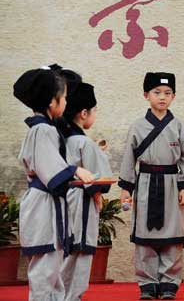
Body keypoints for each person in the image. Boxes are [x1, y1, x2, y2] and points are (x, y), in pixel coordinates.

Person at [119, 72, 184, 300]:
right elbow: (128, 160)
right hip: (145, 185)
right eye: (157, 92)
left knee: (174, 235)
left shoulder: (178, 126)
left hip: (172, 184)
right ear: (146, 95)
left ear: (174, 97)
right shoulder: (137, 126)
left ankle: (169, 283)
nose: (162, 97)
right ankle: (148, 284)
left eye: (167, 93)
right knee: (144, 236)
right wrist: (126, 189)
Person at [13, 67, 95, 301]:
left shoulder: (44, 129)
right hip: (42, 207)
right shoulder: (42, 130)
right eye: (64, 97)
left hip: (47, 205)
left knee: (53, 268)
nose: (67, 102)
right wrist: (76, 170)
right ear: (52, 101)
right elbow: (51, 171)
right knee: (45, 269)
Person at [60, 82, 113, 301]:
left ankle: (61, 293)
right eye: (94, 110)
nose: (95, 114)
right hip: (82, 200)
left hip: (64, 199)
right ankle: (72, 296)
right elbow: (98, 180)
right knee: (82, 248)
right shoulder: (83, 142)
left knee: (70, 248)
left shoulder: (63, 138)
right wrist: (98, 196)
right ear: (84, 113)